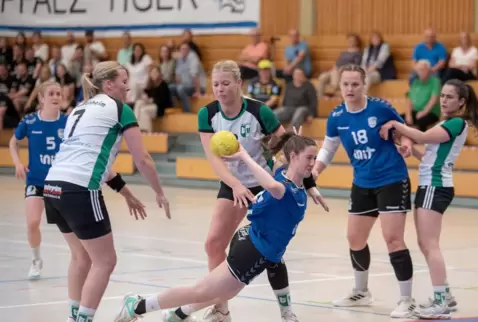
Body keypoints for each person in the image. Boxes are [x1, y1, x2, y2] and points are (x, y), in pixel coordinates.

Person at [163, 60, 323, 322]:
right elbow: (213, 159)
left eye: (225, 83)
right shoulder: (208, 114)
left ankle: (286, 312)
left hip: (265, 183)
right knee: (213, 243)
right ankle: (221, 308)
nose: (220, 89)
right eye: (215, 84)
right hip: (233, 183)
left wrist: (309, 183)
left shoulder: (260, 112)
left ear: (239, 84)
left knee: (272, 249)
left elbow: (288, 149)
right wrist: (235, 185)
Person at [113, 132, 324, 322]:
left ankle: (176, 315)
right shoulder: (282, 187)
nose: (313, 163)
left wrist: (311, 187)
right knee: (200, 291)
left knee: (223, 294)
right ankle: (137, 305)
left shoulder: (288, 175)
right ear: (294, 156)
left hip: (259, 248)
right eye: (309, 158)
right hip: (250, 250)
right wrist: (243, 155)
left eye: (314, 158)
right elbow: (271, 185)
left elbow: (292, 171)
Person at [42, 61, 171, 322]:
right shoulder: (119, 109)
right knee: (105, 262)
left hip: (52, 187)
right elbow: (142, 158)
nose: (128, 86)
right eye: (124, 81)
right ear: (109, 85)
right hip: (80, 190)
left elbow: (95, 162)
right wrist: (159, 191)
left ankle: (73, 317)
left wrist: (127, 194)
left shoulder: (80, 109)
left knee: (80, 257)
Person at [312, 63, 417, 318]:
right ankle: (361, 291)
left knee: (393, 239)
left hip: (392, 178)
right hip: (362, 182)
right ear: (339, 85)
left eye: (355, 84)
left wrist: (405, 144)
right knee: (354, 239)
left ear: (364, 85)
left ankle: (407, 299)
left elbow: (403, 131)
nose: (349, 88)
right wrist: (315, 171)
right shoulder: (337, 117)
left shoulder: (379, 108)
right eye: (345, 84)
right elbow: (328, 148)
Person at [379, 79, 478, 319]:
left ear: (462, 102)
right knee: (426, 243)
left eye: (450, 97)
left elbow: (422, 136)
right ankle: (445, 294)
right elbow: (429, 154)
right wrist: (409, 150)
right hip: (430, 185)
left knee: (429, 244)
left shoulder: (456, 122)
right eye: (443, 95)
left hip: (436, 187)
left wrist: (396, 123)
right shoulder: (447, 122)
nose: (444, 100)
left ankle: (440, 302)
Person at [8, 81, 67, 279]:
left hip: (60, 182)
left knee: (71, 225)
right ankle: (36, 260)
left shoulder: (68, 122)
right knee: (33, 222)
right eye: (51, 93)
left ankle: (80, 258)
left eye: (59, 93)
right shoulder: (30, 121)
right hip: (36, 181)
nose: (56, 97)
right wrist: (17, 163)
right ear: (41, 98)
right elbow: (13, 142)